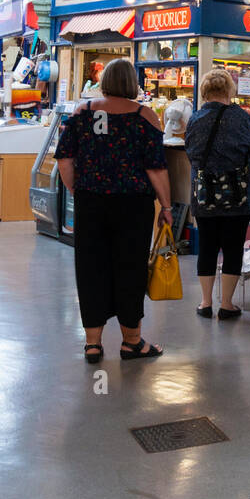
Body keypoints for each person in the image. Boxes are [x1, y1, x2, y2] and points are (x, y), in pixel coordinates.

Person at [55, 58, 172, 364]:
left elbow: (64, 158)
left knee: (91, 267)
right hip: (133, 206)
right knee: (129, 268)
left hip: (91, 201)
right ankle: (131, 342)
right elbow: (156, 168)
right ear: (132, 83)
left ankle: (93, 344)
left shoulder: (83, 112)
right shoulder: (145, 117)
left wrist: (76, 189)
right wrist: (168, 206)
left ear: (105, 81)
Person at [185, 68, 250, 320]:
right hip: (237, 195)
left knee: (207, 246)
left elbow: (191, 153)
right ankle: (226, 304)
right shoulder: (241, 118)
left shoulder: (196, 118)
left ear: (205, 91)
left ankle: (205, 302)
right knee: (232, 248)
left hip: (204, 194)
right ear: (229, 91)